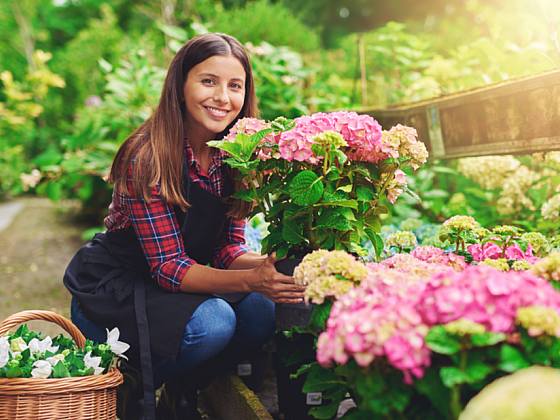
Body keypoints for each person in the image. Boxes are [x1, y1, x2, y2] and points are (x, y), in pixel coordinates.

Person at [63, 32, 306, 420]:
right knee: (215, 322)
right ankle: (126, 386)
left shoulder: (235, 155)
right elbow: (168, 266)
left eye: (234, 86)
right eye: (208, 81)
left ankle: (182, 387)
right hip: (119, 292)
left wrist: (272, 269)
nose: (222, 97)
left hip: (177, 288)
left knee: (263, 308)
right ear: (179, 86)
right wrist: (250, 280)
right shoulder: (149, 155)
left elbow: (227, 249)